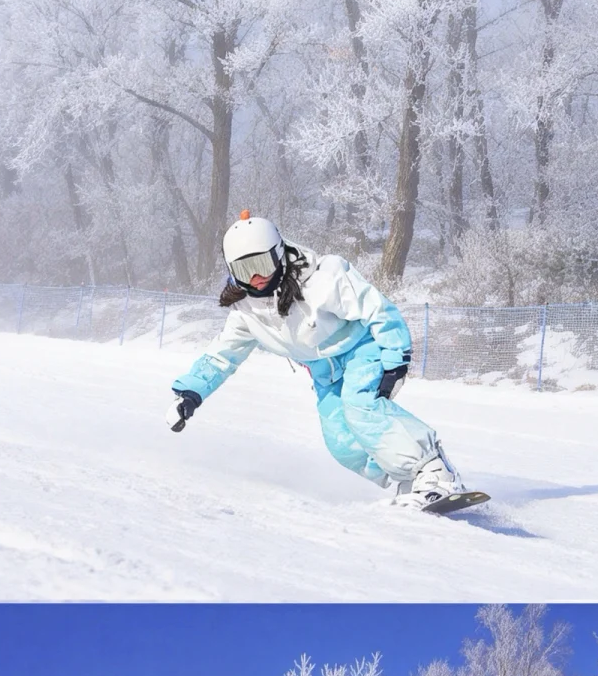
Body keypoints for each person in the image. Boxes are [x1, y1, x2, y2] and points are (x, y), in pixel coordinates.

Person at [165, 212, 468, 510]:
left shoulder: (324, 278)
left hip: (363, 349)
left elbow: (378, 310)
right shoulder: (246, 312)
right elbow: (222, 355)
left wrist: (396, 358)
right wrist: (190, 394)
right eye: (245, 270)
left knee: (360, 406)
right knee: (341, 442)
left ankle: (435, 472)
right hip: (326, 375)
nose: (256, 277)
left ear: (280, 254)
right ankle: (408, 481)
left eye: (262, 264)